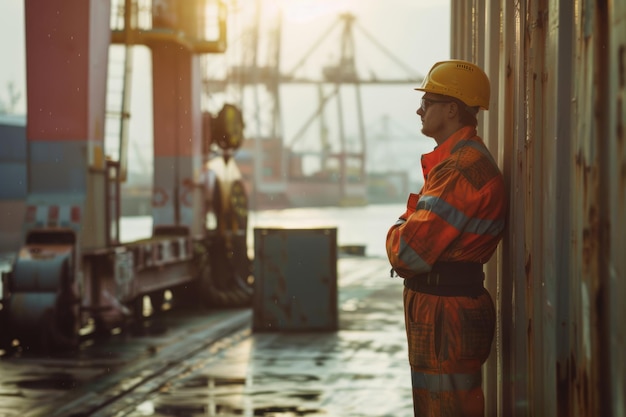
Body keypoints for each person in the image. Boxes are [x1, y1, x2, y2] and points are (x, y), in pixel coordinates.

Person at [385, 59, 506, 417]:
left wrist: (398, 225)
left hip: (444, 314)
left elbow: (406, 251)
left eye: (428, 102)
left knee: (444, 409)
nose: (419, 109)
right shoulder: (457, 163)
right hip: (446, 307)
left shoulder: (458, 171)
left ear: (452, 109)